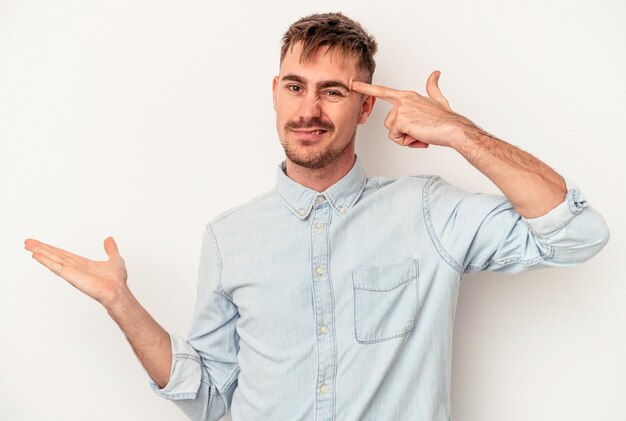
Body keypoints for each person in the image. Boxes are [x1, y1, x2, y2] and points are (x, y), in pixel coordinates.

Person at [24, 12, 609, 421]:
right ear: (275, 92)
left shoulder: (429, 211)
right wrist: (121, 304)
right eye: (296, 87)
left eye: (332, 91)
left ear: (365, 104)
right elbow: (208, 397)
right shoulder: (229, 238)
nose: (308, 110)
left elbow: (577, 233)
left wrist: (457, 132)